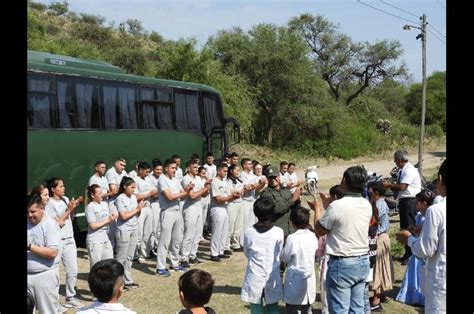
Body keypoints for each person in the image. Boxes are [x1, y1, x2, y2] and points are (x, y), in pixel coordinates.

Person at [313, 165, 372, 313]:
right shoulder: (366, 204)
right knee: (357, 308)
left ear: (344, 181)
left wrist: (318, 210)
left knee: (340, 309)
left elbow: (320, 230)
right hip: (362, 259)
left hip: (343, 261)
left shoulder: (337, 206)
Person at [397, 159, 446, 314]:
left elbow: (426, 250)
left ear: (440, 180)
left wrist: (409, 240)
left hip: (441, 281)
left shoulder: (436, 210)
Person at [45, 177, 84, 309]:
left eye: (63, 186)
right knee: (54, 273)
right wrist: (68, 210)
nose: (64, 188)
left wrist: (72, 208)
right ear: (53, 189)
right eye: (61, 186)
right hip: (56, 241)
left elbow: (69, 219)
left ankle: (70, 298)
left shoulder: (66, 199)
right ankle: (54, 302)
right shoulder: (48, 204)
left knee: (73, 270)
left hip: (69, 239)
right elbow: (56, 224)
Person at [241, 198, 284, 314]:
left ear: (255, 212)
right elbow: (279, 253)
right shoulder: (278, 232)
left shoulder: (249, 232)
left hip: (254, 274)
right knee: (273, 306)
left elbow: (246, 252)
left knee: (256, 307)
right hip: (273, 273)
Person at [307, 184, 343, 314]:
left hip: (331, 257)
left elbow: (319, 229)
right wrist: (324, 203)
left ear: (335, 197)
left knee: (328, 291)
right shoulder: (349, 208)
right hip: (349, 257)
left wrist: (317, 209)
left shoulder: (334, 212)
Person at [396, 190, 435, 307]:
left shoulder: (429, 216)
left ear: (424, 203)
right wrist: (413, 228)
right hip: (416, 249)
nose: (415, 205)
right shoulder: (419, 216)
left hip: (421, 248)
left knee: (422, 275)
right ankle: (411, 294)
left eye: (417, 202)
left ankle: (421, 296)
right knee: (414, 273)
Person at [382, 150, 421, 264]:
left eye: (395, 159)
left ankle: (411, 254)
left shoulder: (409, 170)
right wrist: (390, 183)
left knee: (410, 227)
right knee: (405, 226)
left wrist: (388, 185)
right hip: (405, 201)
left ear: (400, 160)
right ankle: (407, 253)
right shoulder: (402, 170)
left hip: (410, 201)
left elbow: (403, 186)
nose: (394, 162)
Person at [27, 194, 62, 314]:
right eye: (27, 212)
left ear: (42, 208)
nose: (29, 215)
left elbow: (52, 252)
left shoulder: (50, 224)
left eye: (32, 211)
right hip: (28, 276)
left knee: (47, 312)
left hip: (44, 276)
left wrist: (30, 247)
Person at [282, 207, 317, 314]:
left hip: (294, 278)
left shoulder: (292, 238)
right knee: (307, 306)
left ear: (292, 223)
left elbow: (286, 257)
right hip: (309, 276)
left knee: (293, 307)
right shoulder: (313, 236)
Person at [114, 176, 146, 289]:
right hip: (124, 229)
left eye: (134, 188)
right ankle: (118, 282)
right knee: (121, 257)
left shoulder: (133, 197)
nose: (133, 190)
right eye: (132, 187)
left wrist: (139, 208)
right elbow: (123, 216)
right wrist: (137, 209)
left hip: (134, 228)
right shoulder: (120, 199)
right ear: (124, 187)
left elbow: (137, 214)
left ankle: (128, 280)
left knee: (129, 256)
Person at [367, 181, 394, 311]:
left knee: (378, 269)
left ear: (376, 192)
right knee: (383, 267)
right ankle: (382, 294)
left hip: (379, 238)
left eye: (370, 189)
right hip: (383, 237)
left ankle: (376, 300)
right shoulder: (381, 202)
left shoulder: (378, 204)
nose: (368, 191)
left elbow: (373, 224)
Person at [259, 165, 301, 237]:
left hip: (291, 230)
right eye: (270, 178)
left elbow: (294, 208)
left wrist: (297, 200)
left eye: (274, 177)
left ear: (279, 176)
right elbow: (274, 209)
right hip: (278, 231)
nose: (272, 180)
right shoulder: (266, 194)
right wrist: (292, 199)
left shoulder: (285, 190)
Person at [85, 184, 117, 268]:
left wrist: (112, 218)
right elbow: (93, 226)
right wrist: (108, 220)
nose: (102, 195)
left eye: (102, 193)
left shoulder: (104, 204)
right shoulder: (90, 207)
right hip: (95, 240)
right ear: (92, 195)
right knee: (96, 266)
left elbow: (107, 220)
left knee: (109, 263)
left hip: (105, 238)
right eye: (99, 193)